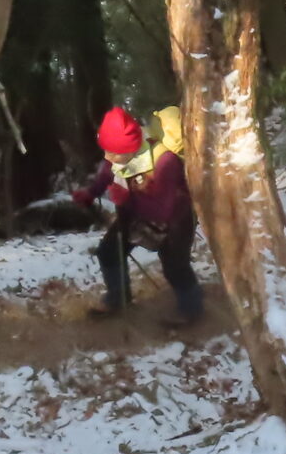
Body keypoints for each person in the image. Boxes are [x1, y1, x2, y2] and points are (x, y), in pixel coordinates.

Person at [72, 105, 204, 326]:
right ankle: (118, 298)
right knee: (109, 252)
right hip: (135, 212)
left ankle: (191, 309)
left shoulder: (165, 161)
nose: (108, 157)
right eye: (106, 151)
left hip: (176, 220)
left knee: (175, 266)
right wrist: (90, 193)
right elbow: (107, 173)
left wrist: (126, 199)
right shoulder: (117, 154)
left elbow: (164, 210)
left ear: (131, 148)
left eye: (113, 153)